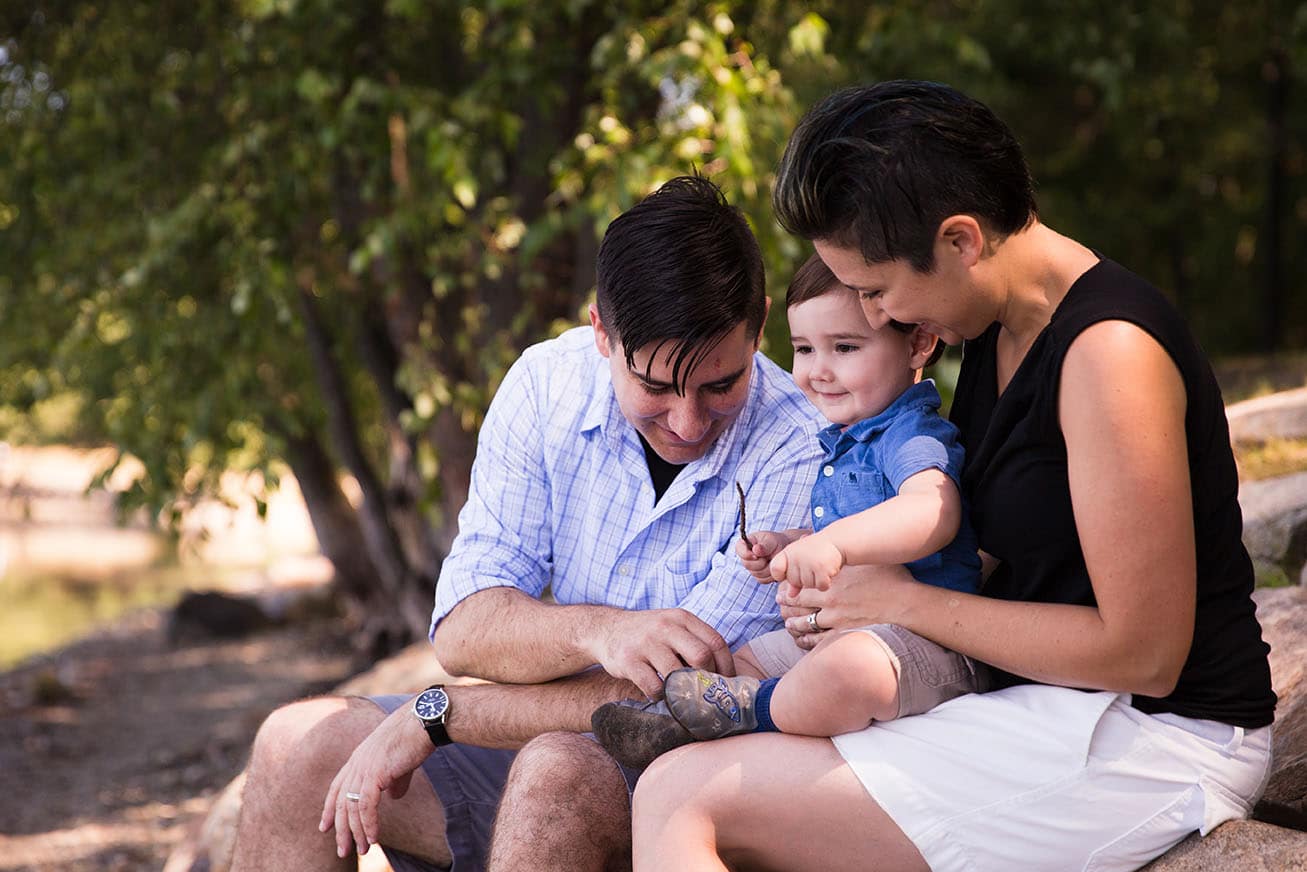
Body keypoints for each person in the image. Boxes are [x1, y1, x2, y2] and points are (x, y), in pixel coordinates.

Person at [629, 81, 1277, 872]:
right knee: (704, 775)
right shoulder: (995, 336)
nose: (873, 317)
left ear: (961, 240)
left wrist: (902, 601)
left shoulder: (1108, 354)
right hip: (1049, 707)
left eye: (876, 290)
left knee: (682, 794)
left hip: (1158, 737)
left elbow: (1143, 653)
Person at [229, 175, 823, 872]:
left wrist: (441, 714)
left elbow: (668, 699)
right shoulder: (546, 383)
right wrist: (601, 629)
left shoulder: (800, 444)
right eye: (656, 388)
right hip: (539, 737)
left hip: (689, 777)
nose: (689, 423)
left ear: (758, 323)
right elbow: (465, 627)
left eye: (720, 384)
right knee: (292, 742)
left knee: (553, 770)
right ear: (602, 333)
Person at [593, 253, 985, 764]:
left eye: (845, 347)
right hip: (852, 631)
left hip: (929, 646)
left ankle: (753, 713)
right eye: (804, 349)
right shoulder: (845, 440)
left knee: (848, 672)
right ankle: (675, 724)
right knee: (741, 662)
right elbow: (850, 525)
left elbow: (932, 511)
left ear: (917, 344)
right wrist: (791, 543)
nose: (819, 371)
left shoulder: (910, 432)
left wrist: (832, 545)